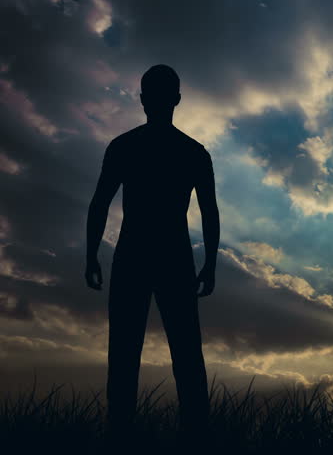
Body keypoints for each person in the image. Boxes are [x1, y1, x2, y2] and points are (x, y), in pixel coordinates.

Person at [84, 64, 219, 443]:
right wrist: (209, 263)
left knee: (127, 353)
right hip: (172, 256)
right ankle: (194, 435)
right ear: (176, 99)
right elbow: (209, 212)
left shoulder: (126, 146)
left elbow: (99, 204)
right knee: (185, 354)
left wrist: (91, 254)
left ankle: (121, 435)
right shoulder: (193, 152)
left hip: (136, 254)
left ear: (143, 99)